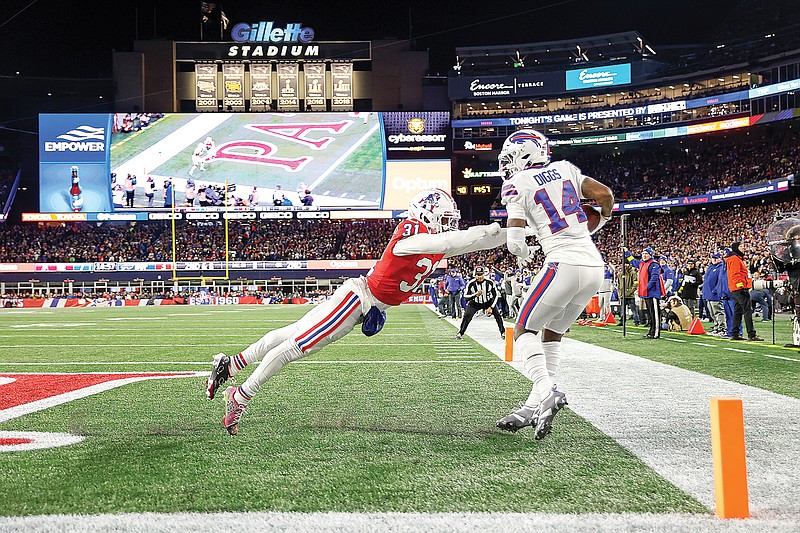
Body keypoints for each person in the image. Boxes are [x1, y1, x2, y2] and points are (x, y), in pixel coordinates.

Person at [205, 189, 508, 435]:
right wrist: (489, 228)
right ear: (427, 214)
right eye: (445, 218)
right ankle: (240, 395)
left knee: (292, 332)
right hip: (359, 300)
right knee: (294, 347)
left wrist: (515, 232)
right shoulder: (412, 233)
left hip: (362, 300)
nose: (450, 224)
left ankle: (232, 364)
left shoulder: (435, 241)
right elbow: (449, 240)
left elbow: (468, 243)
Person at [493, 129, 614, 441]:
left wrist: (524, 250)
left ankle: (547, 392)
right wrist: (595, 225)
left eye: (510, 157)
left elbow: (515, 243)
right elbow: (605, 197)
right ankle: (533, 406)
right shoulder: (566, 169)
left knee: (522, 330)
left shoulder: (515, 184)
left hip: (562, 264)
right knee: (552, 333)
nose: (507, 164)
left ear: (524, 154)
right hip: (593, 267)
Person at [724, 242, 763, 341]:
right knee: (747, 310)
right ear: (736, 248)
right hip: (740, 288)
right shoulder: (735, 259)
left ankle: (735, 333)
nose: (743, 248)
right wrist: (740, 286)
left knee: (738, 311)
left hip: (737, 288)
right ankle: (751, 334)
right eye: (740, 246)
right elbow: (735, 274)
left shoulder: (736, 258)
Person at [624, 247, 665, 339]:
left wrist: (647, 287)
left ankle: (655, 332)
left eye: (646, 254)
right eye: (643, 254)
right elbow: (633, 262)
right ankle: (651, 331)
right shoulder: (642, 263)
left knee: (654, 313)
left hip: (652, 292)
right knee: (650, 313)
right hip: (646, 292)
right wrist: (627, 252)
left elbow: (654, 277)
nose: (644, 255)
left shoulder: (654, 264)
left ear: (650, 255)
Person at [455, 265, 506, 340]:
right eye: (477, 275)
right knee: (467, 315)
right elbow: (465, 296)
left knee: (497, 315)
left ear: (484, 274)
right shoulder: (471, 283)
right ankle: (460, 332)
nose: (479, 277)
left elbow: (495, 295)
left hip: (488, 302)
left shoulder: (490, 282)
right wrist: (475, 295)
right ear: (474, 275)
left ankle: (503, 332)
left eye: (481, 274)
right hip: (475, 303)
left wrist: (491, 307)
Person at [702, 252, 727, 336]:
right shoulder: (711, 267)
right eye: (713, 258)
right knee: (712, 313)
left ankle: (722, 328)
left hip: (715, 294)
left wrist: (716, 290)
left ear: (720, 258)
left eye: (716, 258)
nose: (714, 259)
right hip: (708, 294)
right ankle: (716, 326)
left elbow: (720, 280)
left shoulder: (721, 267)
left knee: (718, 311)